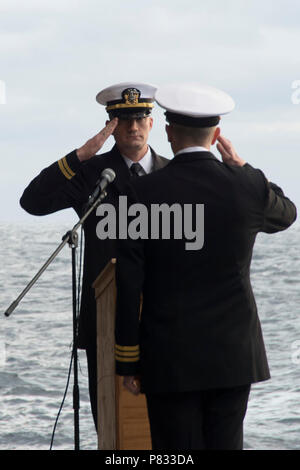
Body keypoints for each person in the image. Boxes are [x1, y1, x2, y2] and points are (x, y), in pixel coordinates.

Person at [114, 83, 297, 450]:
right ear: (216, 135)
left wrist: (128, 360)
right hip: (233, 357)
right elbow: (286, 213)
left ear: (168, 134)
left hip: (169, 357)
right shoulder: (246, 187)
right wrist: (243, 168)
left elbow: (129, 281)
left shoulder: (140, 195)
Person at [19, 82, 169, 430]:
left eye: (139, 118)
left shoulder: (172, 174)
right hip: (106, 318)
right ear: (110, 125)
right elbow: (33, 203)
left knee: (168, 427)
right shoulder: (90, 173)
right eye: (123, 120)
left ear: (152, 123)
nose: (133, 127)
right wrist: (80, 156)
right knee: (113, 426)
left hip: (163, 316)